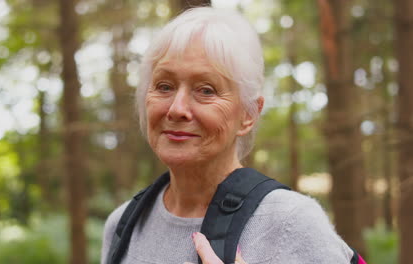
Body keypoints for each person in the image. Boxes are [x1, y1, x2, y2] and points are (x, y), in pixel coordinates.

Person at [101, 7, 357, 264]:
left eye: (206, 90)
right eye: (164, 86)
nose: (177, 109)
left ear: (248, 114)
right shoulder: (122, 225)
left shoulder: (291, 223)